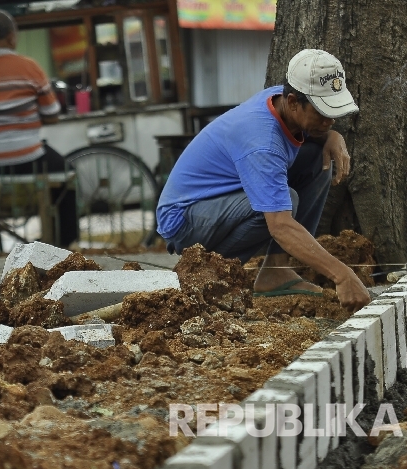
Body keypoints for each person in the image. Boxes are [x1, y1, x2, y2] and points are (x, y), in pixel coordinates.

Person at [156, 49, 371, 312]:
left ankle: (276, 271)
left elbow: (314, 133)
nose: (330, 120)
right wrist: (342, 275)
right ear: (293, 102)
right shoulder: (262, 144)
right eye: (322, 112)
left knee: (318, 160)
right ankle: (206, 271)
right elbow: (279, 226)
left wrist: (330, 136)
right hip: (185, 219)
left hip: (219, 200)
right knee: (284, 205)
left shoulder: (277, 98)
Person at [0, 9, 78, 249]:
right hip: (26, 155)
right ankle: (61, 243)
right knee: (66, 175)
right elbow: (52, 114)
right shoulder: (29, 67)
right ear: (12, 37)